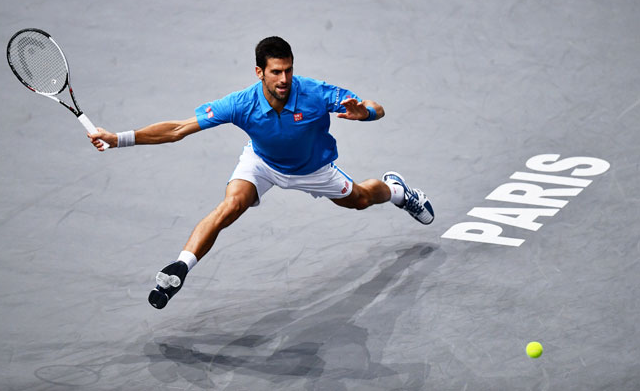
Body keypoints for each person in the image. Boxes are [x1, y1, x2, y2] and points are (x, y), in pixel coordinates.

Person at [89, 36, 434, 309]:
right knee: (231, 206)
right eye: (275, 72)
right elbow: (178, 129)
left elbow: (376, 106)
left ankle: (399, 192)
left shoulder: (314, 93)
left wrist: (367, 114)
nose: (284, 79)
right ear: (259, 72)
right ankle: (181, 266)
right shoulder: (241, 104)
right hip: (263, 163)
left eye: (288, 70)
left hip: (313, 168)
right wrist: (119, 139)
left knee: (360, 199)